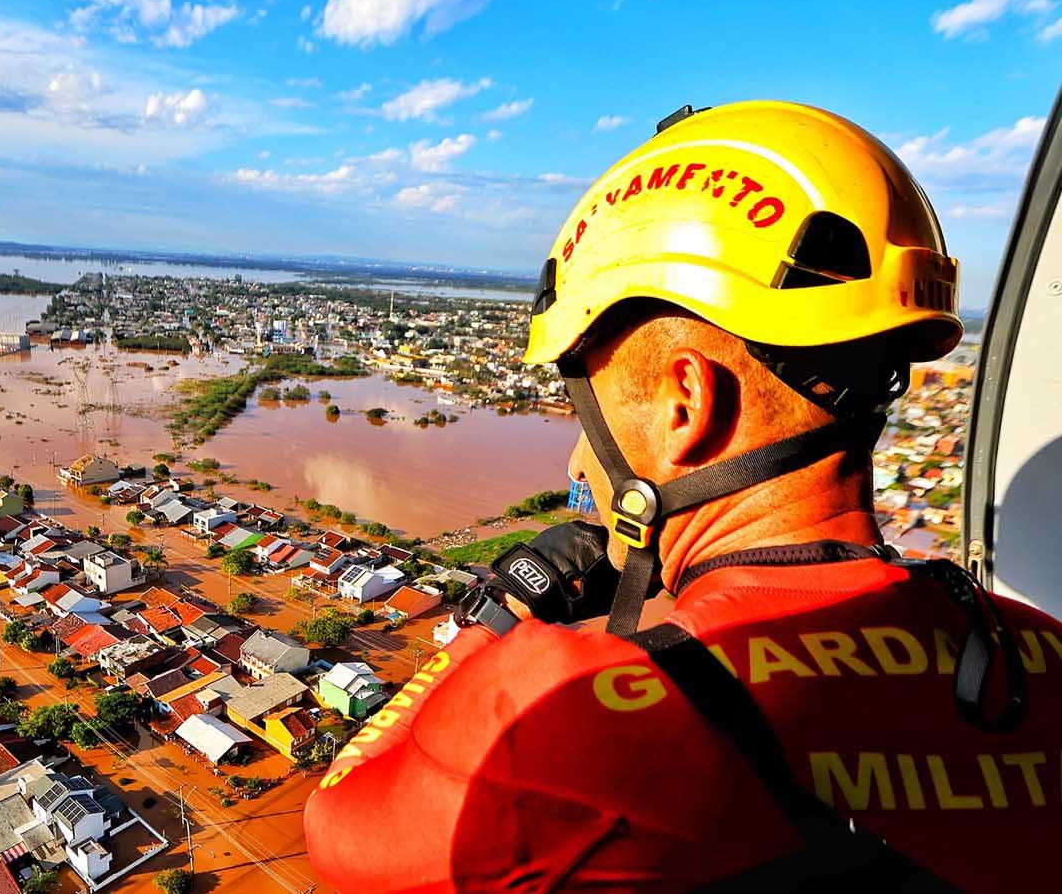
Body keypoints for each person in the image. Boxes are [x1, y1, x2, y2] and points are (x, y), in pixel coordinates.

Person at [302, 101, 1062, 892]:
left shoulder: (562, 718)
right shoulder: (1039, 654)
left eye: (585, 418)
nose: (578, 460)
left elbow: (337, 825)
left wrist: (501, 612)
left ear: (683, 405)